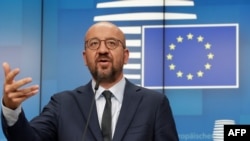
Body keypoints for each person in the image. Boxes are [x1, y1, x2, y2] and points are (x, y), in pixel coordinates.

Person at [1, 21, 179, 141]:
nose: (102, 50)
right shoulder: (63, 104)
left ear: (125, 56)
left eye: (111, 43)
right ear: (85, 58)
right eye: (93, 44)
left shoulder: (154, 104)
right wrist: (11, 109)